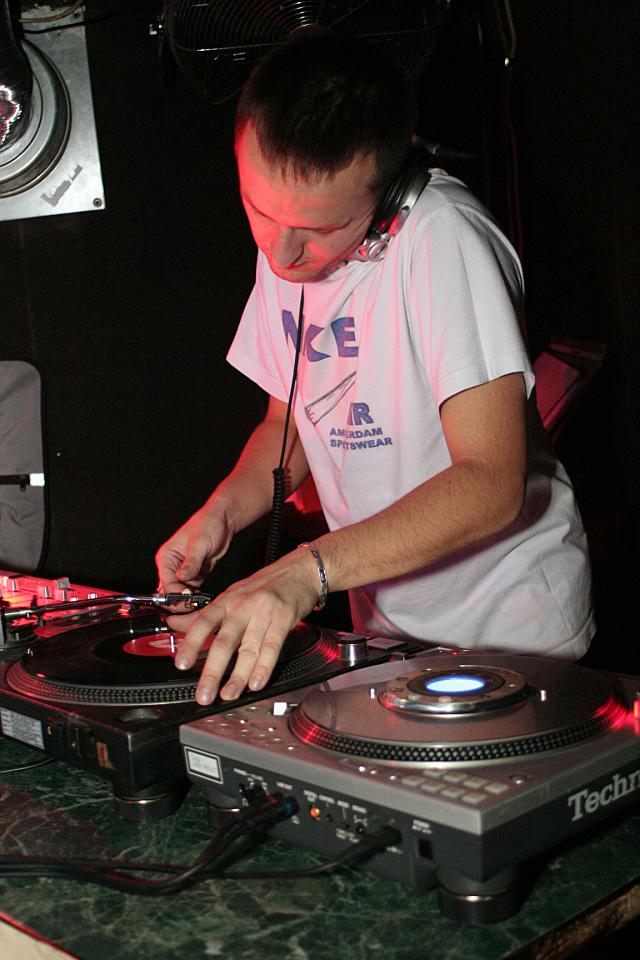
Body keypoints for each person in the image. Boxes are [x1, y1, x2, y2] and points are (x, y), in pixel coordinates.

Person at [156, 29, 594, 707]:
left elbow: (492, 482)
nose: (282, 251)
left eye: (321, 229)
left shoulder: (446, 239)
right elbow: (289, 427)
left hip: (511, 628)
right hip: (390, 631)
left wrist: (304, 572)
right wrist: (222, 513)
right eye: (258, 209)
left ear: (391, 198)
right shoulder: (286, 247)